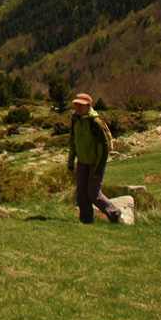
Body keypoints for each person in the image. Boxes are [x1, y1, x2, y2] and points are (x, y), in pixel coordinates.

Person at [66, 93, 122, 224]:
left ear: (88, 106)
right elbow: (73, 141)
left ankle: (114, 212)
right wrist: (70, 162)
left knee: (93, 195)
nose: (78, 108)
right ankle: (86, 220)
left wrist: (98, 169)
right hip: (82, 162)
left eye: (81, 105)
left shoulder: (95, 122)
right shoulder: (75, 120)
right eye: (76, 105)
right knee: (81, 194)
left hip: (95, 164)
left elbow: (104, 147)